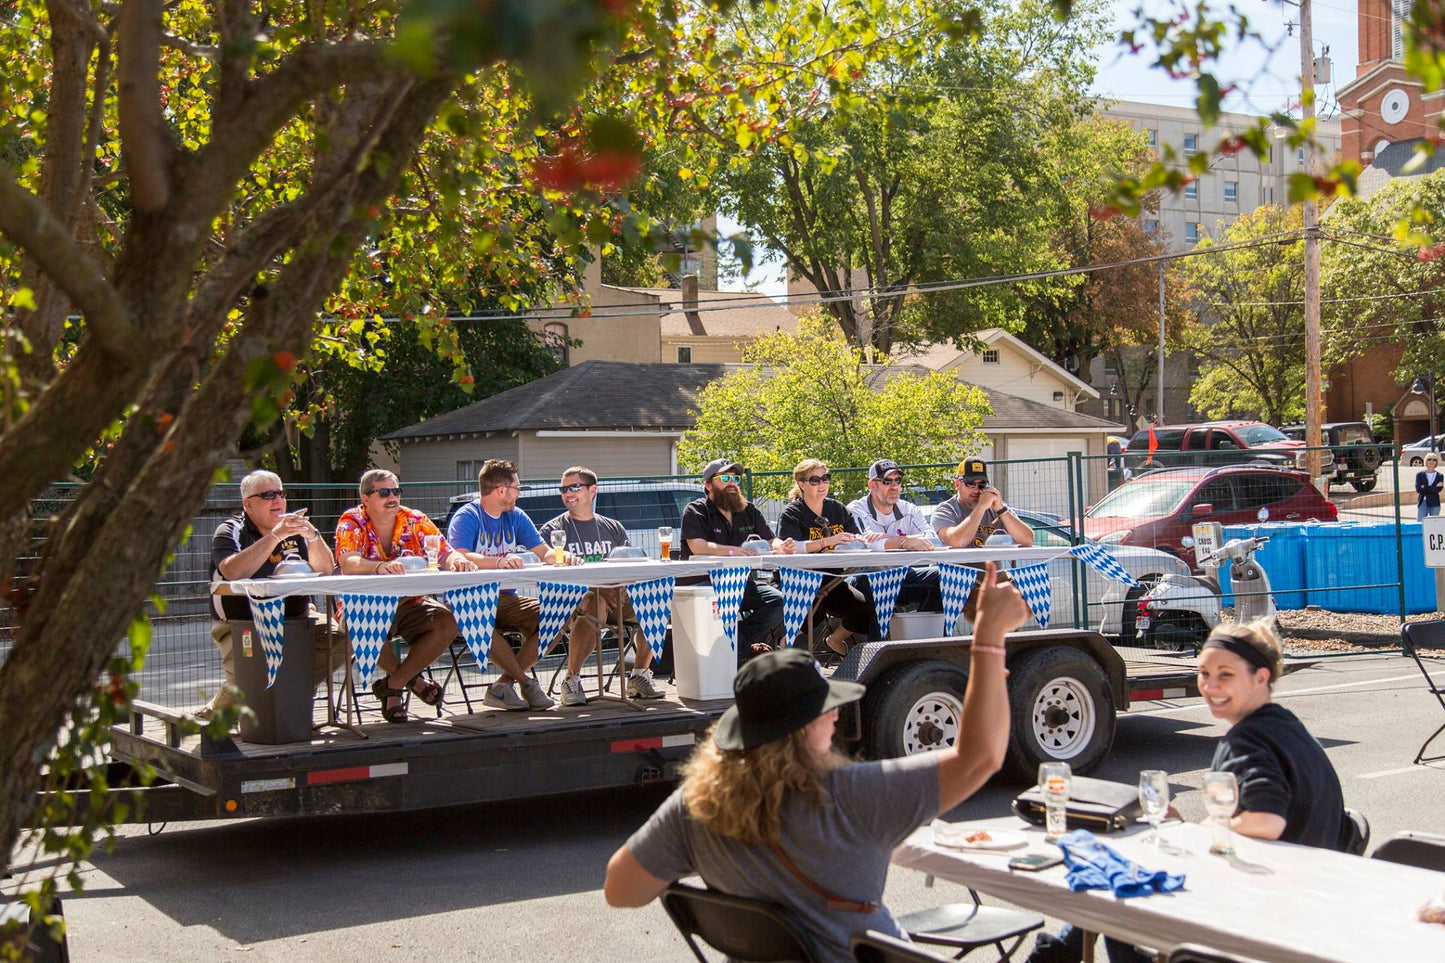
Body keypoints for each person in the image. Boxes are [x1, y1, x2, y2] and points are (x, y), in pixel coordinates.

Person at [603, 562, 1026, 961]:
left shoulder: (696, 807)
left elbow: (620, 890)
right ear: (804, 728)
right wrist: (988, 636)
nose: (837, 715)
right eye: (827, 708)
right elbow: (979, 758)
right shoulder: (852, 795)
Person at [1029, 618, 1352, 963]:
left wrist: (1201, 830)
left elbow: (1265, 821)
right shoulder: (1289, 726)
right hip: (1310, 905)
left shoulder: (1247, 739)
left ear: (1262, 677)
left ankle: (1055, 954)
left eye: (1226, 675)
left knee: (1117, 891)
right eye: (1204, 674)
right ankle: (1059, 952)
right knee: (1116, 889)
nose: (1211, 686)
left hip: (1263, 912)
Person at [202, 470, 350, 721]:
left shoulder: (295, 531)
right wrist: (275, 537)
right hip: (241, 625)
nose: (278, 500)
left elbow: (325, 568)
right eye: (268, 495)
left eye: (281, 493)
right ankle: (231, 702)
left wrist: (312, 536)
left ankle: (286, 695)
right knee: (251, 677)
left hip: (298, 619)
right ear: (248, 504)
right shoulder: (230, 531)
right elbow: (233, 572)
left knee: (340, 641)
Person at [334, 469, 478, 724]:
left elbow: (445, 550)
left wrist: (458, 561)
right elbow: (348, 561)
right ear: (365, 498)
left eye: (396, 491)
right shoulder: (351, 520)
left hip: (410, 602)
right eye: (384, 492)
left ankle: (395, 683)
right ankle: (413, 682)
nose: (393, 497)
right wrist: (378, 566)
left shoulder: (415, 518)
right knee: (362, 625)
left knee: (449, 621)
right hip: (363, 604)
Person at [537, 466, 664, 705]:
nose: (567, 493)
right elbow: (551, 577)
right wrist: (597, 588)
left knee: (654, 600)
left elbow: (628, 564)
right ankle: (571, 679)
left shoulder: (613, 527)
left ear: (592, 490)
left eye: (574, 487)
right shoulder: (553, 531)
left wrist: (621, 586)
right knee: (594, 601)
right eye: (563, 489)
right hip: (573, 601)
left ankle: (639, 675)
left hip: (617, 595)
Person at [447, 459, 567, 712]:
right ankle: (525, 682)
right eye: (517, 488)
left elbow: (543, 552)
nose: (519, 494)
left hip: (506, 599)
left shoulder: (516, 516)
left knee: (557, 616)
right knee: (477, 619)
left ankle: (503, 685)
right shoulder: (467, 516)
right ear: (501, 490)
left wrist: (561, 557)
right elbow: (458, 555)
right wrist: (499, 562)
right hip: (469, 598)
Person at [678, 458, 795, 660]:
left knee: (779, 600)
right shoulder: (696, 510)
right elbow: (698, 546)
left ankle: (738, 646)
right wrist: (734, 551)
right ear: (708, 485)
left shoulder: (748, 510)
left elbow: (770, 539)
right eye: (725, 477)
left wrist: (780, 546)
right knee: (719, 606)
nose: (732, 483)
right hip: (704, 584)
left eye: (735, 478)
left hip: (739, 581)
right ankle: (740, 651)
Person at [776, 458, 886, 656]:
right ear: (801, 484)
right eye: (815, 480)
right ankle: (786, 643)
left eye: (825, 478)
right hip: (799, 578)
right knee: (812, 614)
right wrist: (826, 542)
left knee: (865, 610)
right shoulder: (792, 513)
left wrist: (860, 540)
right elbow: (791, 548)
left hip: (831, 577)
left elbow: (856, 538)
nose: (822, 484)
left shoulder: (836, 508)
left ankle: (835, 639)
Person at [845, 459, 941, 611]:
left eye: (898, 480)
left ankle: (922, 630)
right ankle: (878, 635)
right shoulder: (856, 508)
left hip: (902, 575)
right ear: (872, 485)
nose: (894, 486)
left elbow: (932, 538)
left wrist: (899, 540)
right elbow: (868, 542)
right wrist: (905, 542)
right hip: (866, 575)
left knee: (944, 577)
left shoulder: (909, 509)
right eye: (887, 481)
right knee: (869, 583)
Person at [931, 458, 1034, 549]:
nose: (977, 490)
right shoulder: (946, 510)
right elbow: (957, 542)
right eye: (971, 484)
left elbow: (1027, 540)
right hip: (957, 570)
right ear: (958, 484)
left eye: (982, 484)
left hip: (992, 570)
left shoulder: (996, 508)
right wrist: (981, 507)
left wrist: (1001, 509)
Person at [1417, 452, 1443, 523]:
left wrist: (1425, 487)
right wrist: (1433, 488)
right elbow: (1418, 489)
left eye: (1434, 460)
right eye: (1429, 459)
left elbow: (1438, 490)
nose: (1431, 461)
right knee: (1421, 523)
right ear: (1426, 461)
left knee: (1435, 524)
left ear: (1436, 462)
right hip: (1423, 502)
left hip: (1435, 503)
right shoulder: (1420, 475)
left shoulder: (1440, 476)